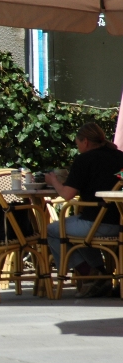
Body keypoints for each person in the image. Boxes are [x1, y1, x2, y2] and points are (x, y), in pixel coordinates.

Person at [46, 122, 123, 297]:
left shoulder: (84, 160)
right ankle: (100, 273)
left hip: (96, 223)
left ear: (85, 141)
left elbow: (67, 195)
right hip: (120, 222)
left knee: (52, 230)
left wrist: (54, 181)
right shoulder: (120, 157)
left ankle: (91, 274)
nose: (78, 147)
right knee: (78, 233)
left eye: (78, 144)